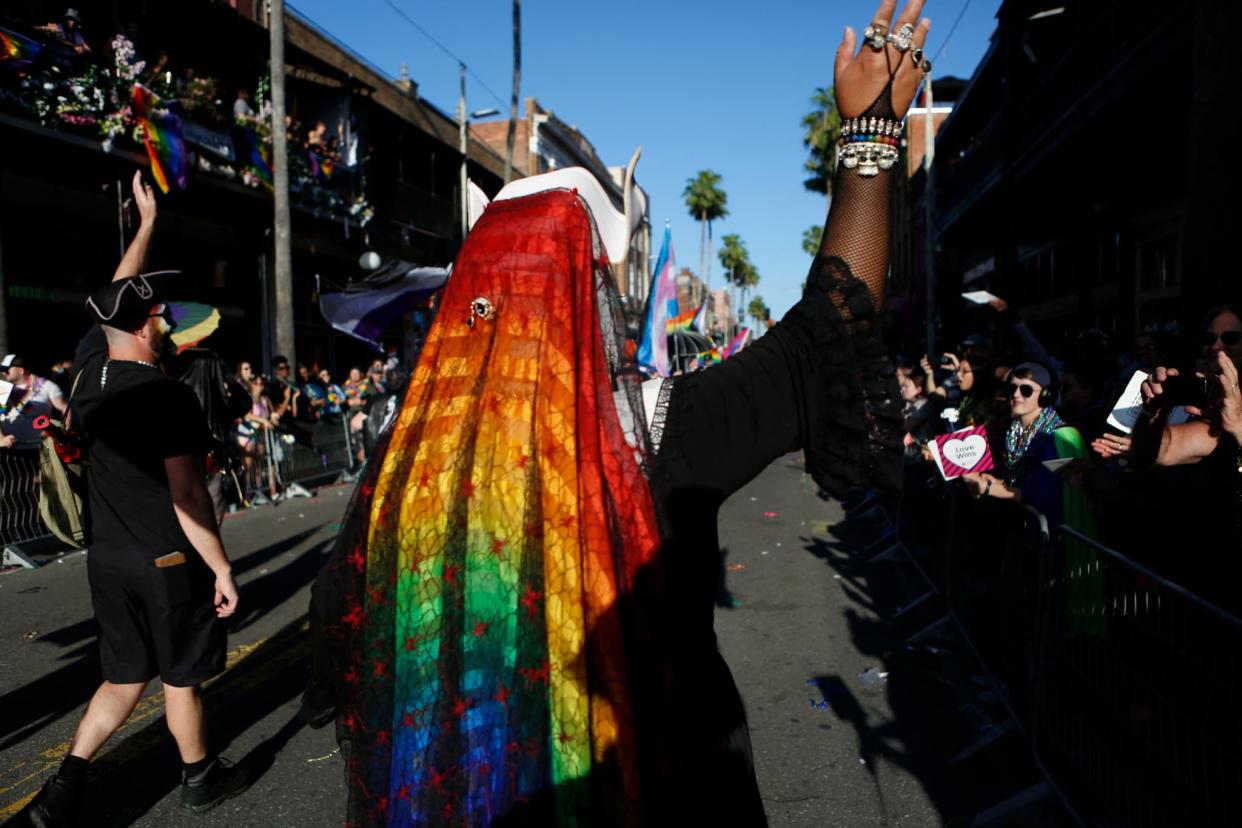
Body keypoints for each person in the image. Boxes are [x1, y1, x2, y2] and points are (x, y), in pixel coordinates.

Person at [302, 3, 926, 824]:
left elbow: (338, 659)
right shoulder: (660, 426)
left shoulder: (404, 470)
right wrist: (870, 142)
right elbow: (834, 329)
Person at [22, 173, 246, 827]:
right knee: (180, 675)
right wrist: (223, 566)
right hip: (164, 560)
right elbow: (184, 493)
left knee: (123, 677)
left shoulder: (92, 367)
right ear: (147, 330)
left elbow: (110, 301)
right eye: (158, 315)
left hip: (108, 558)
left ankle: (64, 785)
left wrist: (146, 227)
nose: (164, 319)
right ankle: (201, 778)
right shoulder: (166, 394)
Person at [0, 354, 68, 451]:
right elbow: (7, 410)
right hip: (8, 450)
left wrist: (64, 433)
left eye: (6, 370)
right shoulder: (3, 388)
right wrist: (1, 439)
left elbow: (25, 409)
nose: (3, 373)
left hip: (38, 449)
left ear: (21, 370)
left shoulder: (45, 385)